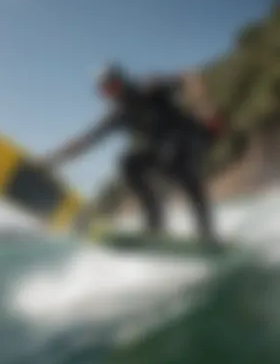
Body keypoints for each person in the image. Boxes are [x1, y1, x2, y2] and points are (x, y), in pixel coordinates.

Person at [43, 63, 224, 242]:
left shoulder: (150, 89)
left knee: (175, 161)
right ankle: (155, 226)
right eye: (106, 92)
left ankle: (206, 232)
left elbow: (190, 77)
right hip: (161, 147)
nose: (112, 94)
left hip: (190, 135)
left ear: (123, 81)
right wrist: (53, 160)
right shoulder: (118, 115)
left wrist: (207, 110)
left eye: (113, 87)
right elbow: (87, 140)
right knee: (129, 163)